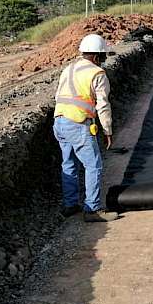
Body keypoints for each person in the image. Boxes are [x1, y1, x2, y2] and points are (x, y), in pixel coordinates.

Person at [53, 33, 118, 222]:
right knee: (93, 165)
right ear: (97, 56)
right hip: (78, 123)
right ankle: (92, 209)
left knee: (69, 164)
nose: (103, 62)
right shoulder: (97, 73)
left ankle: (70, 205)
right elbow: (103, 105)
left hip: (59, 122)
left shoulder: (68, 69)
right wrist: (108, 131)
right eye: (103, 58)